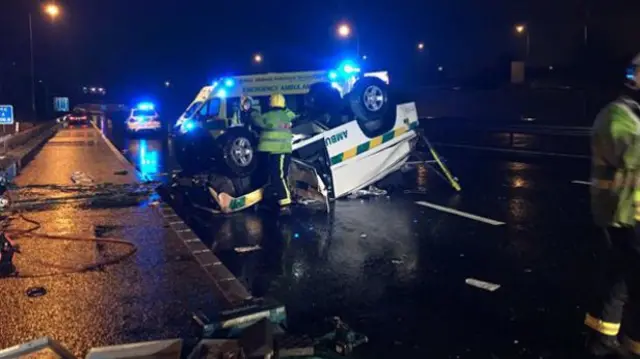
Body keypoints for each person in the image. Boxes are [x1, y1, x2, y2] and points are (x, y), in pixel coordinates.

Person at [585, 53, 640, 358]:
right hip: (621, 214)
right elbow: (632, 155)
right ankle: (607, 342)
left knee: (620, 279)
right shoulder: (617, 115)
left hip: (630, 213)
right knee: (621, 279)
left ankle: (609, 341)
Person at [251, 93, 296, 213]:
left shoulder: (270, 116)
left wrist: (252, 111)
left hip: (277, 150)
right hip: (282, 150)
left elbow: (259, 122)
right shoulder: (286, 115)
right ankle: (278, 198)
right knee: (280, 175)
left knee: (278, 176)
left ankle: (285, 203)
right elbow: (293, 115)